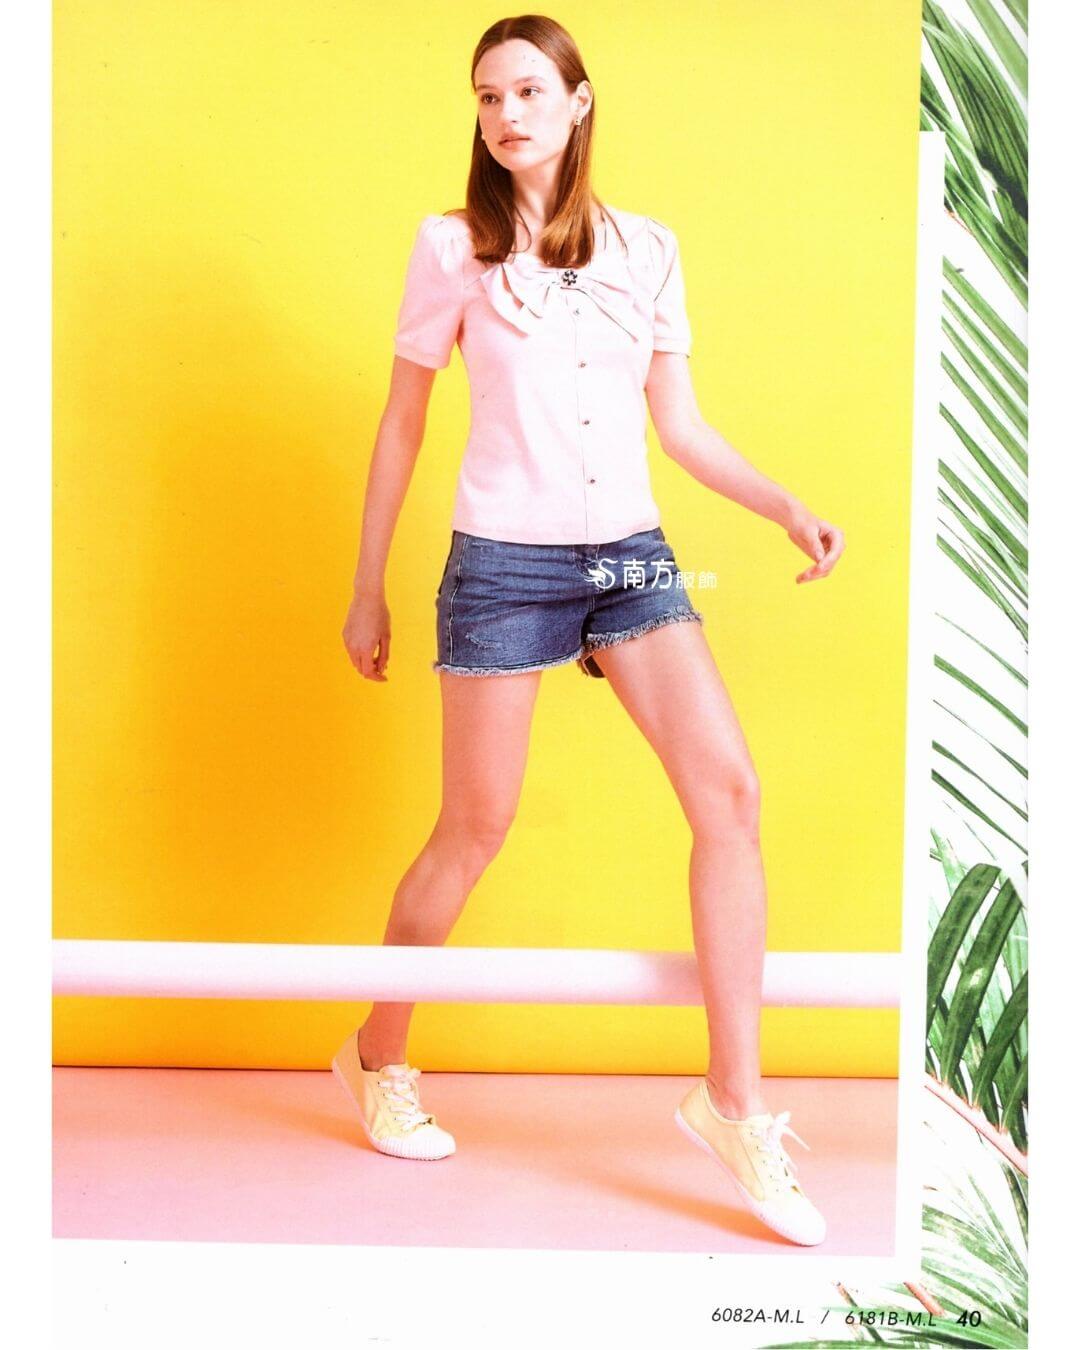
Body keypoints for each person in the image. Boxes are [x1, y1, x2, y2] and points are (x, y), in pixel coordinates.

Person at [334, 15, 844, 1246]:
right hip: (503, 563)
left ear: (577, 101)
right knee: (474, 827)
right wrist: (367, 585)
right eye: (486, 97)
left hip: (628, 558)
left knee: (731, 795)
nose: (505, 115)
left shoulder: (648, 249)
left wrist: (783, 504)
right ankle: (376, 1056)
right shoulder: (452, 248)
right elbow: (403, 421)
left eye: (526, 91)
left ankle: (736, 1106)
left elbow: (681, 427)